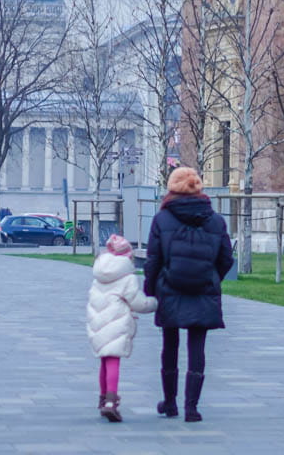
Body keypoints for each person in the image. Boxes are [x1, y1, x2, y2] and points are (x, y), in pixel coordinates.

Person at [143, 166, 233, 423]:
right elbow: (226, 258)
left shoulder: (162, 219)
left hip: (170, 288)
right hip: (204, 289)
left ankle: (170, 403)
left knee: (169, 345)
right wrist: (212, 277)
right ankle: (191, 408)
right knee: (198, 347)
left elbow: (153, 259)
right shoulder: (216, 220)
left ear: (172, 188)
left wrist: (151, 288)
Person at [86, 233, 156, 422]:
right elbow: (137, 303)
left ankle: (102, 399)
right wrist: (154, 303)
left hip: (98, 324)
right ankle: (111, 401)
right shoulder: (127, 278)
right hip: (117, 323)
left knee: (104, 360)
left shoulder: (98, 276)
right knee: (114, 361)